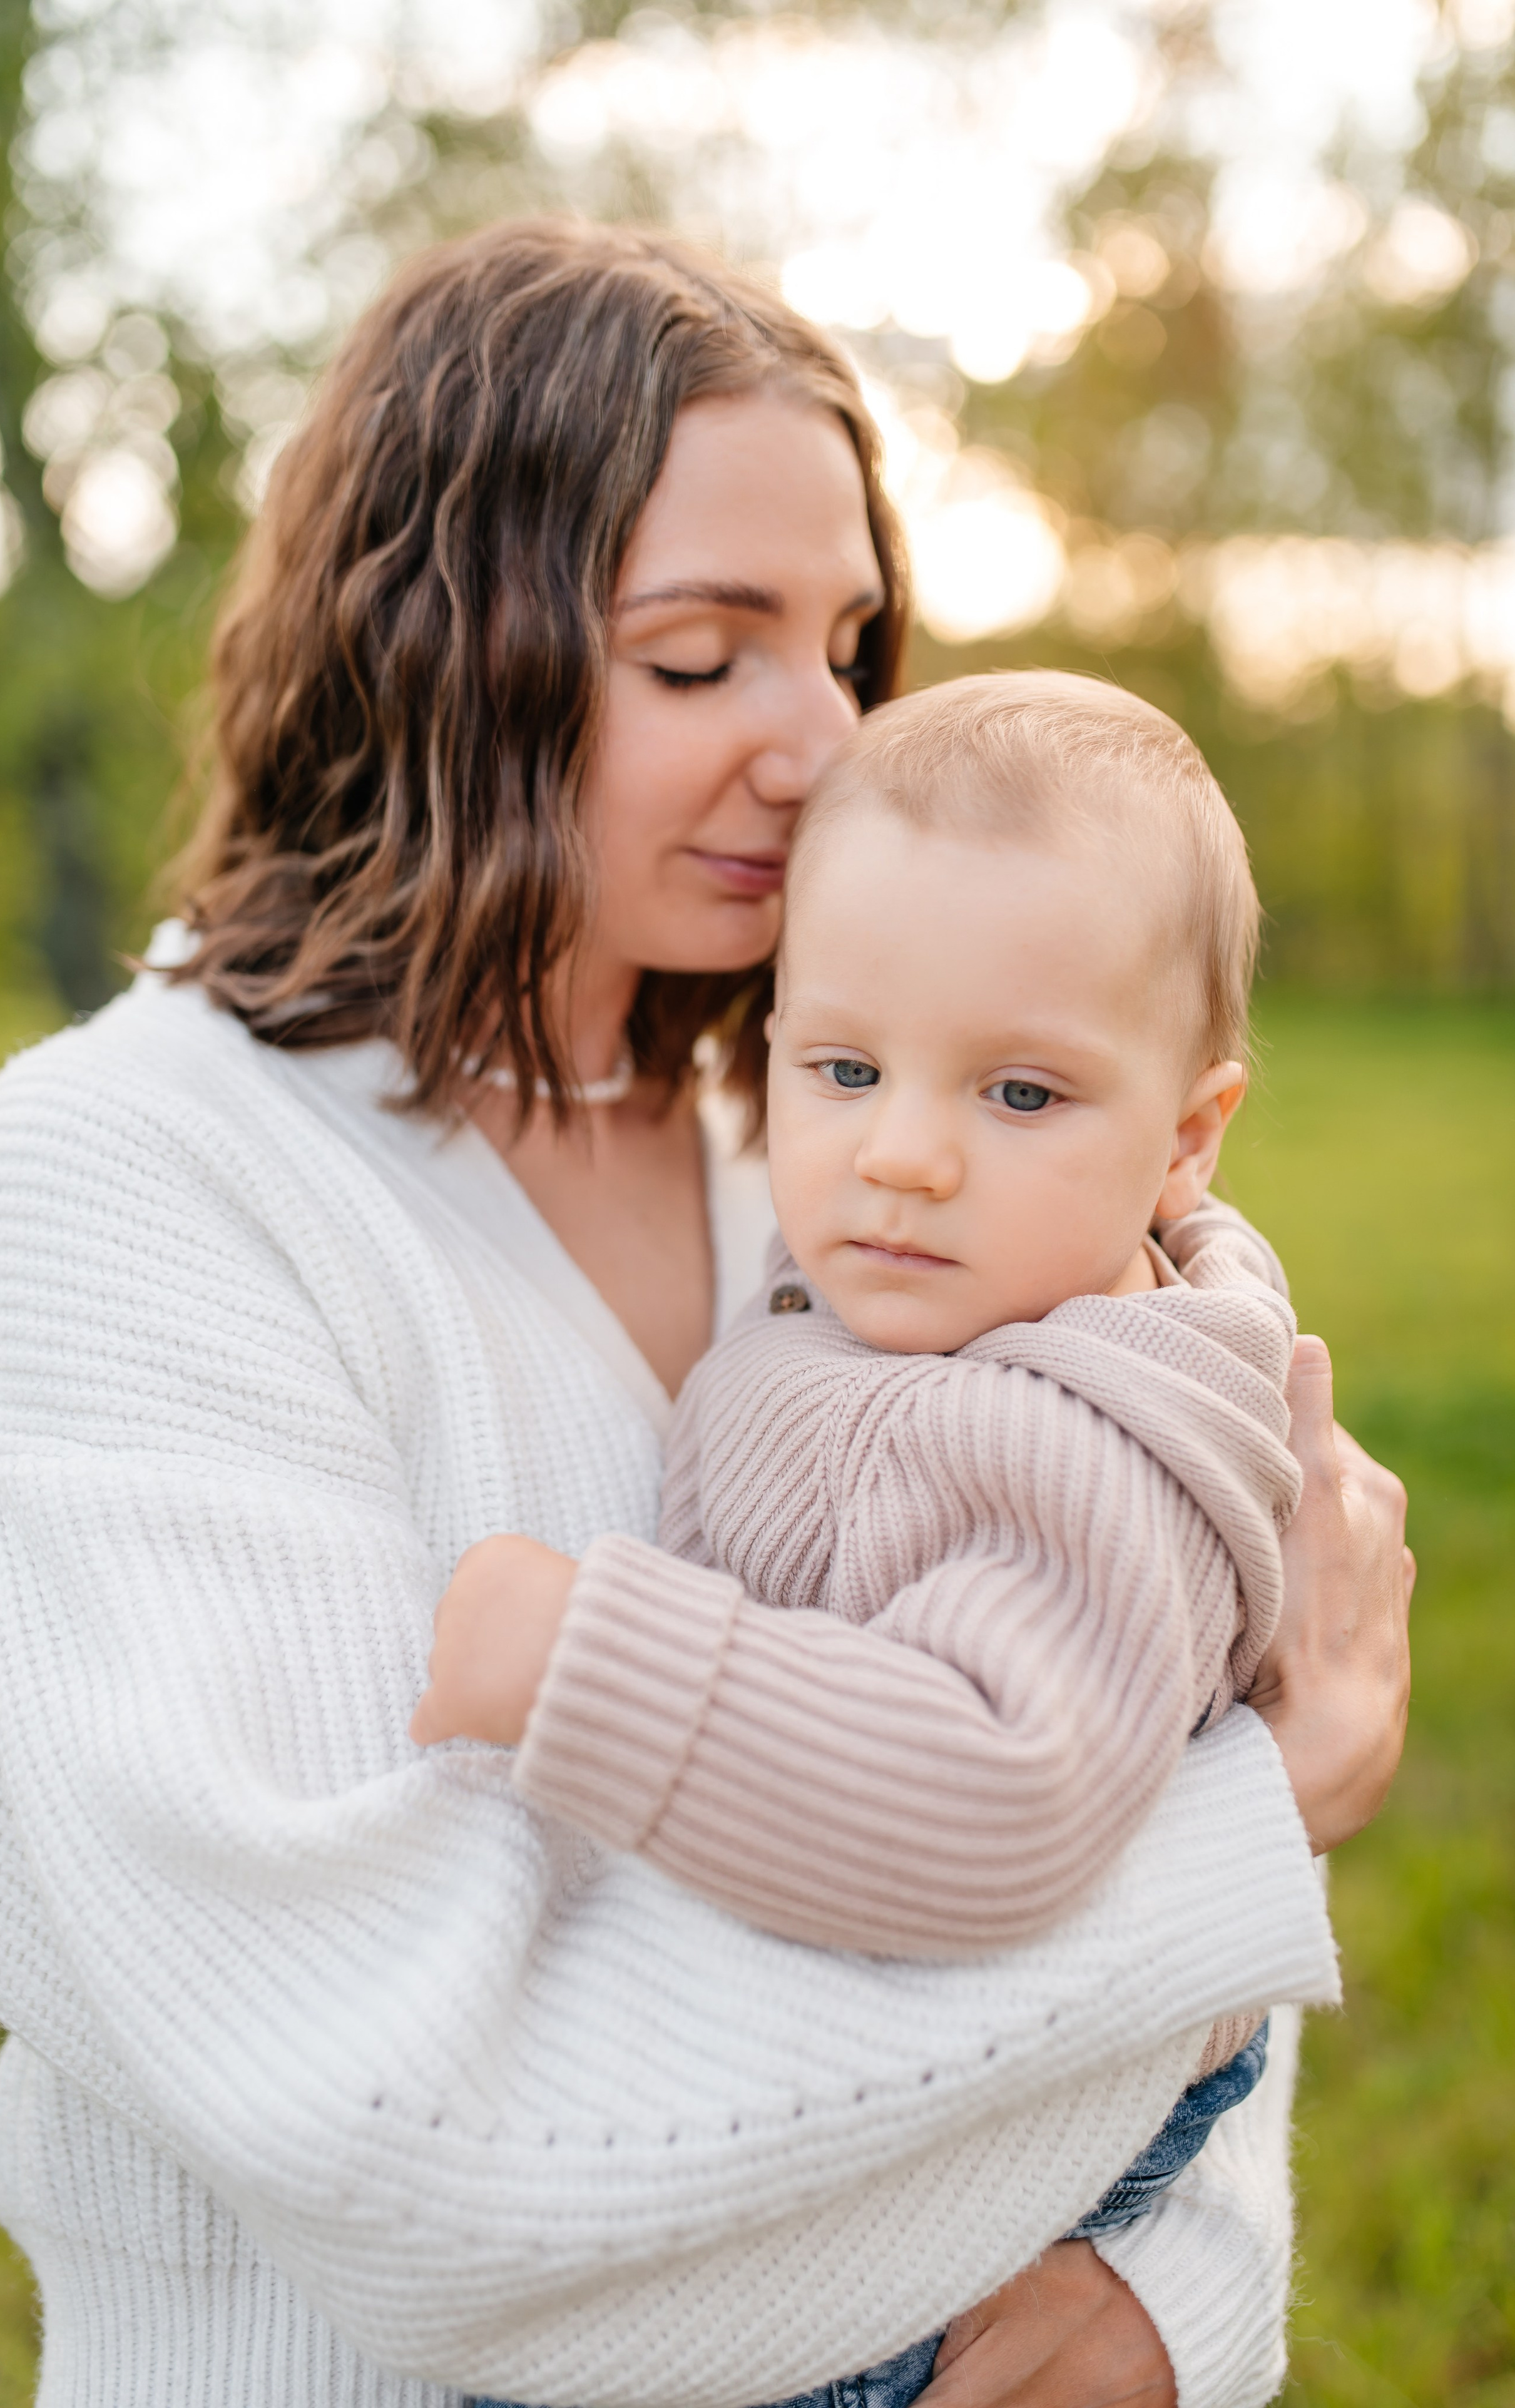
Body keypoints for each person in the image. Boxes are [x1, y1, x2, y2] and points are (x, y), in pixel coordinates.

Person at [0, 221, 1411, 2408]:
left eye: (847, 645)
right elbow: (418, 2150)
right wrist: (1269, 1816)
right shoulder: (130, 1189)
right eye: (702, 661)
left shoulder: (841, 1133)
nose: (820, 747)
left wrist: (1166, 2288)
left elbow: (1121, 1670)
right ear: (438, 660)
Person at [412, 671, 1314, 2408]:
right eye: (844, 1067)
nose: (901, 1157)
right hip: (816, 2107)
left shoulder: (1081, 1440)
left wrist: (582, 1660)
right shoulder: (895, 1309)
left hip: (925, 2233)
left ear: (1188, 1136)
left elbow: (998, 1793)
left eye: (1024, 1097)